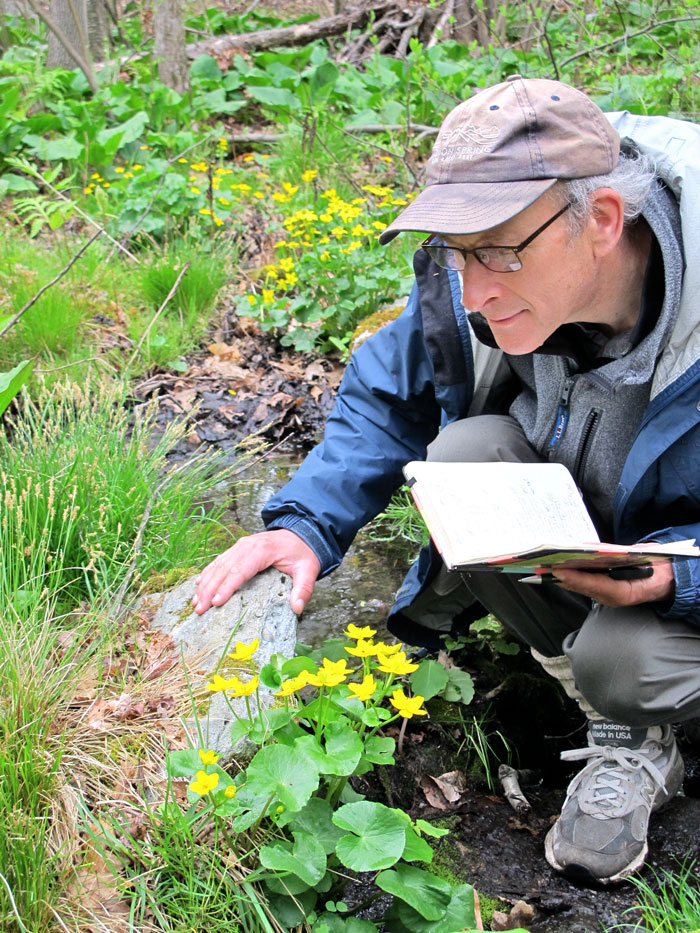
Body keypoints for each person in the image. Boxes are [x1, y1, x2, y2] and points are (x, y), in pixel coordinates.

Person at [193, 75, 700, 885]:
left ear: (603, 221)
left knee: (629, 659)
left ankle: (639, 695)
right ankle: (628, 733)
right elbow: (389, 388)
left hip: (682, 575)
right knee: (462, 458)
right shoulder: (493, 283)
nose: (474, 290)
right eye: (456, 253)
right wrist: (305, 526)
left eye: (498, 252)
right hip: (594, 548)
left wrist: (685, 580)